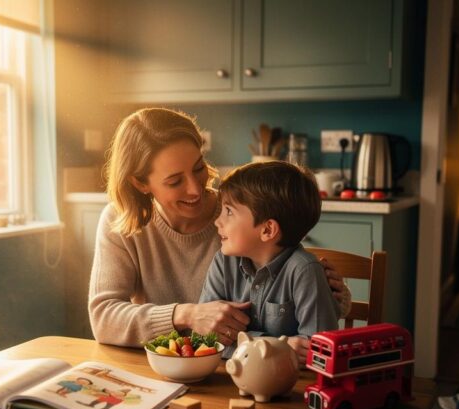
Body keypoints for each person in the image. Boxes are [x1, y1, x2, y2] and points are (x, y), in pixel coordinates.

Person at [88, 107, 351, 349]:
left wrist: (332, 296)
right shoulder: (120, 221)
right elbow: (104, 319)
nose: (195, 189)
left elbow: (287, 280)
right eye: (175, 181)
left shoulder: (243, 215)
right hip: (160, 366)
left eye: (199, 167)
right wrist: (186, 315)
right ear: (140, 183)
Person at [199, 161, 340, 364]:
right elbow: (209, 337)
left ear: (267, 230)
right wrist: (279, 346)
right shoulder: (223, 262)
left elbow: (318, 353)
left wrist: (240, 342)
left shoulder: (304, 271)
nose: (217, 221)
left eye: (229, 212)